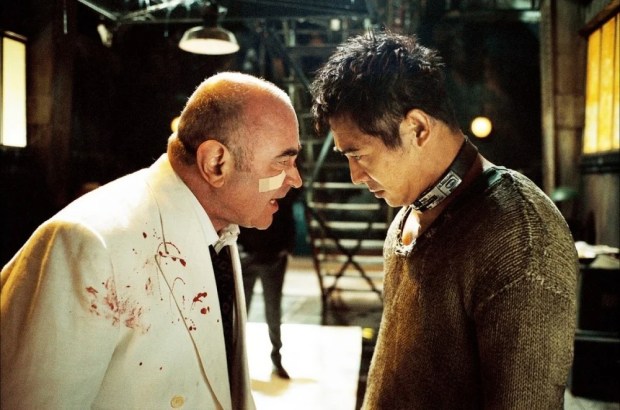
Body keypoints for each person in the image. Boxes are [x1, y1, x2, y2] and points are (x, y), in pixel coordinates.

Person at [1, 72, 302, 409]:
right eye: (282, 161)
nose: (296, 179)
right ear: (216, 163)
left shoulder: (220, 227)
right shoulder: (88, 244)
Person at [311, 32, 578, 409]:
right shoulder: (408, 214)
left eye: (359, 155)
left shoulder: (521, 237)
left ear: (417, 128)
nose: (354, 176)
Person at [238, 192, 297, 379]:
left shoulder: (278, 191)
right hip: (255, 255)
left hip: (266, 256)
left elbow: (287, 214)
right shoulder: (277, 191)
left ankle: (274, 359)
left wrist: (285, 248)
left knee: (268, 310)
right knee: (244, 312)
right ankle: (241, 362)